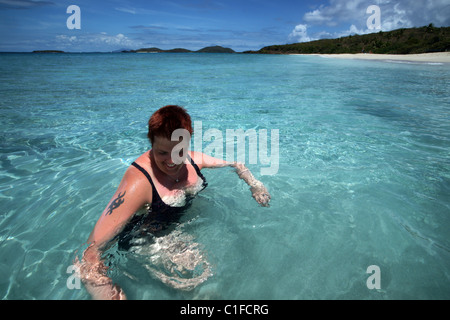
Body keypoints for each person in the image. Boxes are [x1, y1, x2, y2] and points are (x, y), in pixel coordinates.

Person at [77, 105, 271, 300]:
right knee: (198, 279)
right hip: (146, 239)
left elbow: (236, 164)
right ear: (150, 143)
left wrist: (255, 185)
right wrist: (108, 294)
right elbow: (88, 255)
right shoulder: (139, 182)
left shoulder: (193, 159)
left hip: (175, 230)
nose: (172, 161)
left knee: (215, 277)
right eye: (162, 153)